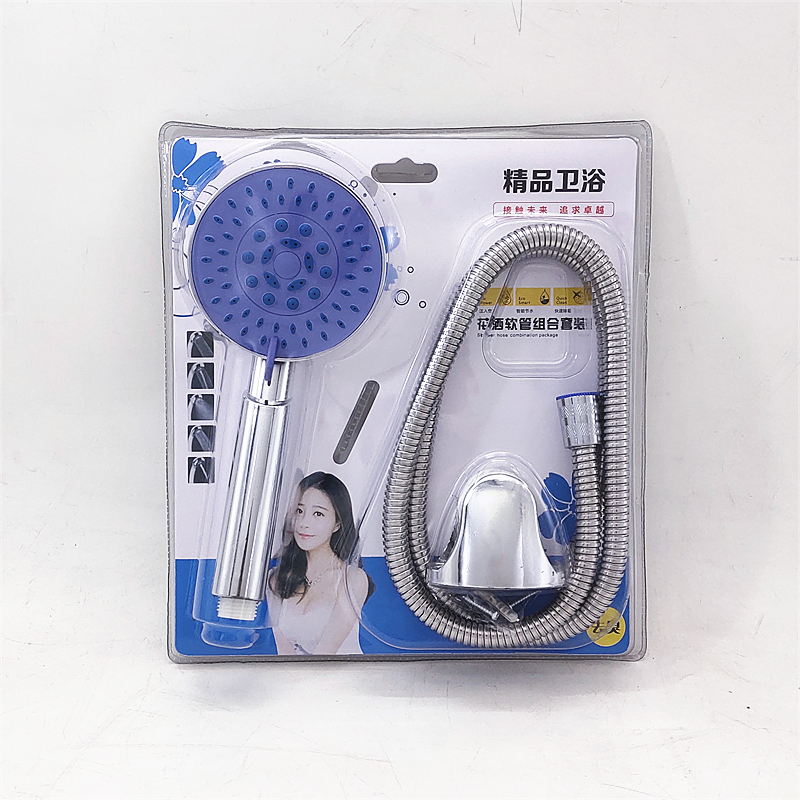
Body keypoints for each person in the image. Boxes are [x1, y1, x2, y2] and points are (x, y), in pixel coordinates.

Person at [268, 472, 370, 655]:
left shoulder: (352, 579)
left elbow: (326, 652)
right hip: (295, 672)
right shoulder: (277, 578)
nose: (304, 523)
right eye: (299, 511)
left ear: (337, 523)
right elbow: (283, 652)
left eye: (318, 514)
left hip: (342, 672)